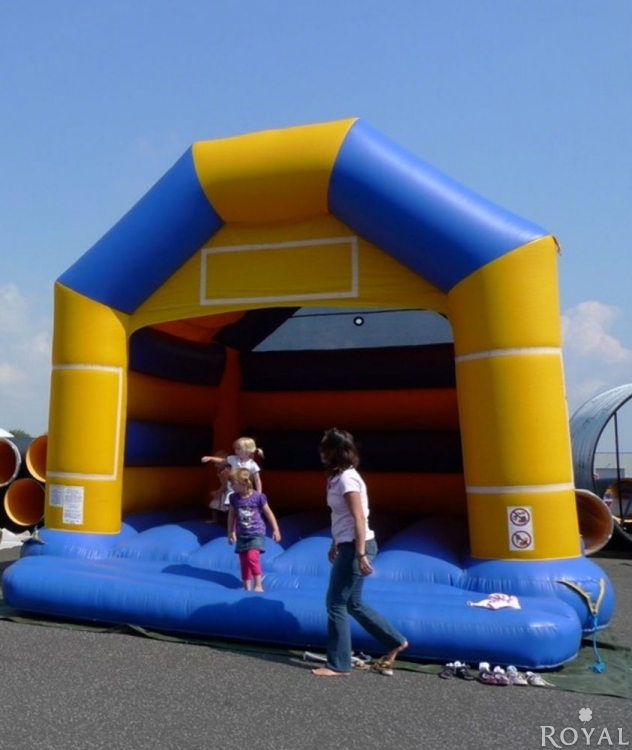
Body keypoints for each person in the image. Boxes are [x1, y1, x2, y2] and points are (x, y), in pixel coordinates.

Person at [312, 428, 408, 677]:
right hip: (347, 544)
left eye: (324, 448)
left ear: (334, 452)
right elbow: (341, 517)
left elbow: (358, 518)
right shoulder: (337, 478)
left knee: (335, 603)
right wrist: (335, 542)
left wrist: (360, 553)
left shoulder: (348, 479)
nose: (321, 452)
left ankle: (339, 665)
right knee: (353, 603)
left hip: (356, 546)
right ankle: (395, 641)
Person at [227, 467, 281, 592]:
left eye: (233, 483)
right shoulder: (234, 498)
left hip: (256, 532)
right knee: (244, 561)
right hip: (242, 533)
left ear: (243, 483)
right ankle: (247, 586)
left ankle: (258, 584)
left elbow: (268, 513)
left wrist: (276, 529)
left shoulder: (258, 497)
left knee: (252, 558)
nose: (231, 486)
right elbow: (231, 515)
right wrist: (231, 531)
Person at [206, 451, 231, 525]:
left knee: (216, 505)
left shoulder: (225, 471)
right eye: (215, 463)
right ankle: (215, 519)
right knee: (214, 505)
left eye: (218, 464)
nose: (216, 465)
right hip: (225, 490)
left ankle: (218, 520)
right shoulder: (221, 470)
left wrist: (217, 492)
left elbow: (225, 485)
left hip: (227, 491)